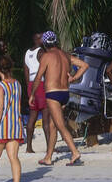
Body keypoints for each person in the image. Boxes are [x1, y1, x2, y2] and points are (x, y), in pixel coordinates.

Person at [36, 31, 88, 166]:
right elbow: (84, 65)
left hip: (53, 94)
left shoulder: (47, 56)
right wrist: (74, 78)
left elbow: (38, 77)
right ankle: (48, 157)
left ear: (45, 43)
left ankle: (74, 152)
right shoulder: (65, 55)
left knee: (60, 126)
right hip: (65, 93)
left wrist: (31, 95)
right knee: (53, 126)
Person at [24, 32, 44, 154]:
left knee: (32, 116)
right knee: (46, 117)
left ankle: (29, 147)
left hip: (31, 84)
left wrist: (29, 88)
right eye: (41, 37)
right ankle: (49, 147)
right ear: (37, 39)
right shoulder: (41, 52)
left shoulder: (27, 52)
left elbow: (26, 71)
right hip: (40, 83)